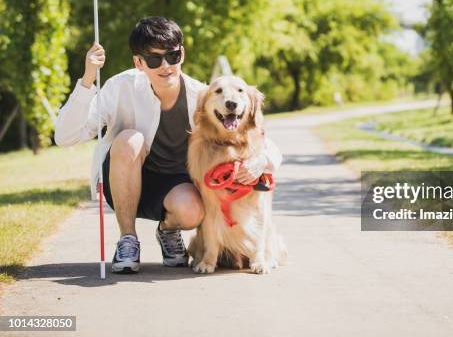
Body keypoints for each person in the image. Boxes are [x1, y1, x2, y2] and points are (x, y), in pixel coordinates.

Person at [54, 16, 282, 274]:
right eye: (154, 59)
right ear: (139, 63)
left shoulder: (204, 96)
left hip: (174, 187)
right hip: (124, 179)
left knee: (193, 211)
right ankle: (128, 239)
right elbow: (65, 136)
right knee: (131, 139)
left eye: (172, 56)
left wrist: (261, 161)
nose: (165, 66)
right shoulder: (120, 87)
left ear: (181, 54)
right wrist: (87, 80)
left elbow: (259, 138)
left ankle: (168, 229)